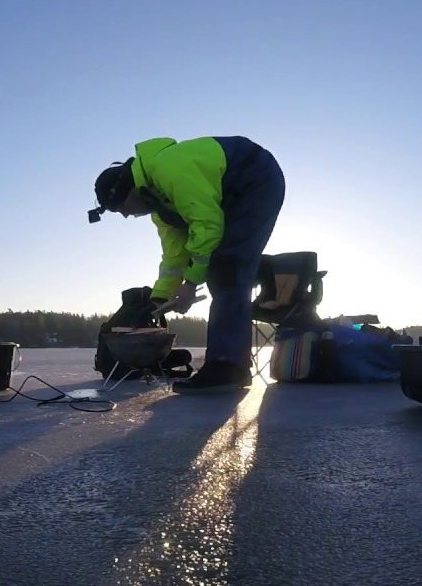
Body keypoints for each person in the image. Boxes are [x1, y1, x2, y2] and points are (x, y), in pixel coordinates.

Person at [88, 136, 285, 394]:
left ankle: (227, 366)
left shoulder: (170, 169)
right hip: (227, 194)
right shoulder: (160, 206)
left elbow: (207, 228)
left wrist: (191, 284)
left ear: (128, 190)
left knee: (227, 266)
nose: (126, 215)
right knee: (226, 264)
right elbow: (174, 256)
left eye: (120, 208)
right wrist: (159, 299)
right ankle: (235, 355)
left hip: (254, 178)